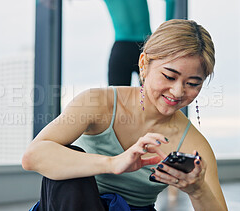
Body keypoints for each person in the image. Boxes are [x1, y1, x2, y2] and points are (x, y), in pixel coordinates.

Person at [22, 19, 228, 211]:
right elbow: (32, 156)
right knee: (69, 166)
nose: (177, 92)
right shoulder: (98, 103)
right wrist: (113, 163)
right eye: (169, 76)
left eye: (192, 84)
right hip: (73, 202)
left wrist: (198, 191)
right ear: (144, 64)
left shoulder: (193, 144)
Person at [105, 0, 176, 86]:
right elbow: (171, 1)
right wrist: (166, 32)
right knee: (152, 98)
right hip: (147, 47)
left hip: (121, 50)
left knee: (117, 98)